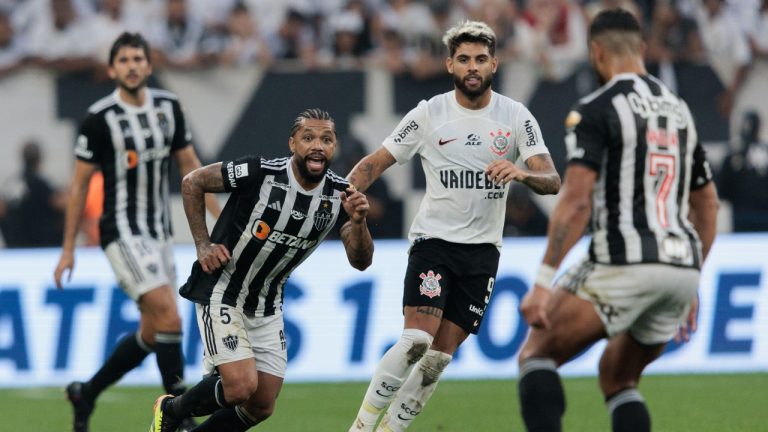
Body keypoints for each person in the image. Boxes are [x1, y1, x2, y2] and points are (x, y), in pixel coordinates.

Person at [347, 20, 561, 432]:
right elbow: (374, 163)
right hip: (435, 243)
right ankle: (360, 427)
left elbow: (552, 180)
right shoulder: (429, 114)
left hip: (482, 253)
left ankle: (390, 430)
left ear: (495, 64)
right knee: (416, 341)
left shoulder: (516, 117)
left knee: (437, 360)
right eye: (464, 59)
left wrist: (520, 172)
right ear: (449, 65)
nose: (472, 67)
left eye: (481, 58)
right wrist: (347, 196)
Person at [516, 9, 720, 432]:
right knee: (618, 376)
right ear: (642, 49)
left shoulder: (596, 108)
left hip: (624, 260)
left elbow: (575, 203)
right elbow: (708, 205)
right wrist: (692, 274)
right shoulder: (680, 112)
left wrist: (542, 281)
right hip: (679, 268)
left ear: (596, 51)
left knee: (536, 352)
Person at [149, 108, 374, 432]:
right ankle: (170, 409)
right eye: (308, 137)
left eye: (326, 139)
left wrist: (359, 221)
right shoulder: (259, 172)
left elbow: (361, 260)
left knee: (261, 404)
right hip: (223, 291)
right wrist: (203, 245)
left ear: (334, 147)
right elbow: (192, 182)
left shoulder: (340, 195)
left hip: (267, 303)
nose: (317, 146)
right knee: (240, 387)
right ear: (292, 144)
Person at [52, 32, 220, 432]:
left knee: (153, 331)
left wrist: (220, 219)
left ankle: (86, 392)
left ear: (149, 65)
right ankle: (178, 417)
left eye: (137, 59)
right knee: (169, 315)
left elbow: (191, 168)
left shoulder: (168, 107)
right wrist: (68, 248)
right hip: (121, 232)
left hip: (159, 233)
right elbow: (78, 186)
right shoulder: (98, 119)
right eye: (123, 60)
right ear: (112, 69)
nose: (131, 65)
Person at [0, 140, 66, 248]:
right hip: (42, 247)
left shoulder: (12, 184)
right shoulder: (43, 185)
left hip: (16, 247)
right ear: (39, 160)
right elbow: (61, 204)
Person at [719, 110, 768, 232]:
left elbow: (722, 189)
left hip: (741, 214)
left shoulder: (732, 153)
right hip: (758, 215)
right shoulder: (733, 154)